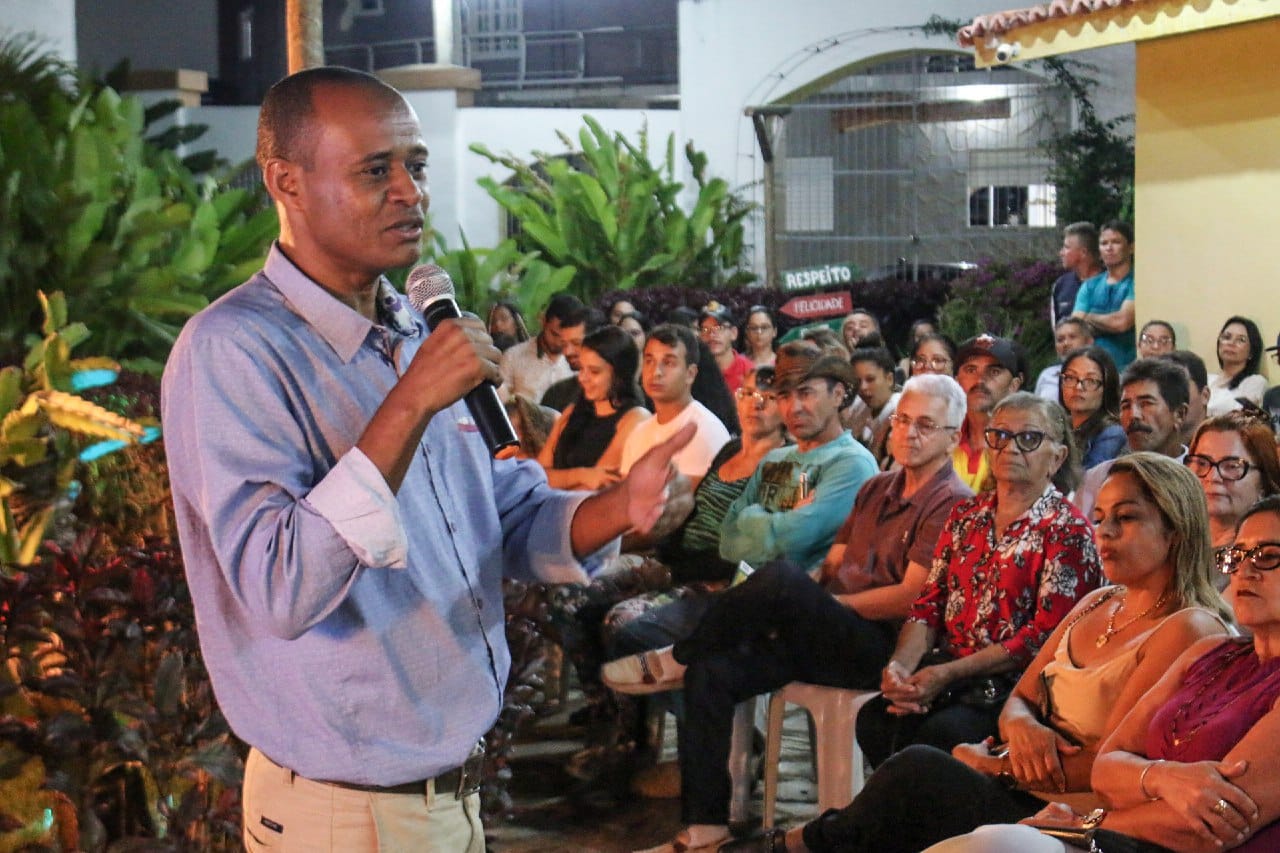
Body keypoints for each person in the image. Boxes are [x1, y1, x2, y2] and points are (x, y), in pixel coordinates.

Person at [160, 67, 694, 852]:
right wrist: (409, 402)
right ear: (286, 182)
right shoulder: (233, 351)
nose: (410, 192)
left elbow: (505, 511)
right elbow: (279, 586)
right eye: (376, 170)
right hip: (344, 817)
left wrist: (623, 507)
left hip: (450, 796)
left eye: (415, 165)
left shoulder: (419, 330)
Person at [732, 453, 1233, 853]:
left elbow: (1110, 764)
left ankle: (798, 843)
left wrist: (993, 766)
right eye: (1100, 518)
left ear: (1176, 529)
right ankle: (804, 842)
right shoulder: (1099, 601)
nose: (1104, 532)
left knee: (919, 772)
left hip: (1073, 812)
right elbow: (1019, 701)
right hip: (1022, 781)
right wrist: (1025, 727)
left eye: (1126, 518)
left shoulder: (1187, 627)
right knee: (906, 771)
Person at [614, 374, 973, 853]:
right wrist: (800, 606)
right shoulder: (877, 488)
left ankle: (677, 655)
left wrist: (817, 604)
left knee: (783, 580)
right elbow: (832, 565)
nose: (909, 433)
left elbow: (911, 598)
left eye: (925, 425)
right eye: (903, 420)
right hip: (830, 632)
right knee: (712, 671)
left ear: (953, 436)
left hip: (887, 648)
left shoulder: (953, 502)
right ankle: (706, 825)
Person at [925, 495, 1280, 853]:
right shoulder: (1210, 652)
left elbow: (1209, 826)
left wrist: (1084, 822)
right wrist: (1162, 777)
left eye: (1268, 556)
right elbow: (1106, 768)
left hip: (1136, 839)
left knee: (988, 832)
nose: (1245, 571)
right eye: (1238, 555)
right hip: (1111, 831)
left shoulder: (1192, 628)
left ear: (1174, 533)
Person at [1074, 358, 1191, 518]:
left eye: (1146, 404)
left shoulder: (1204, 478)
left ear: (1179, 414)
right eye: (1125, 406)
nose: (1133, 415)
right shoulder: (1097, 479)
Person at [538, 325, 650, 490]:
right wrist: (581, 475)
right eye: (581, 369)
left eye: (594, 371)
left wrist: (558, 481)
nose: (582, 378)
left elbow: (597, 487)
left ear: (620, 374)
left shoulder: (635, 419)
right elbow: (537, 476)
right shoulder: (571, 412)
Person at [621, 324, 732, 486]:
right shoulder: (638, 433)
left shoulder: (704, 430)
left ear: (690, 374)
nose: (656, 372)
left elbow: (682, 499)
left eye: (668, 363)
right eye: (649, 361)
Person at [1187, 410, 1280, 555]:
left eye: (1232, 466)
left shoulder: (1269, 555)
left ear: (1263, 482)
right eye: (1202, 463)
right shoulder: (1169, 542)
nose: (1213, 477)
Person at [952, 334, 1028, 493]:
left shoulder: (1026, 446)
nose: (980, 380)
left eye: (994, 371)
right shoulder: (941, 439)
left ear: (1014, 385)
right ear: (956, 381)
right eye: (971, 370)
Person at [498, 291, 588, 403]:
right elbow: (500, 405)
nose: (559, 342)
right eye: (554, 334)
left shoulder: (583, 363)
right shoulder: (512, 357)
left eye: (567, 339)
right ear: (543, 321)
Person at [1073, 220, 1136, 369]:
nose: (1109, 248)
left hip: (1128, 369)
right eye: (1104, 243)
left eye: (1116, 242)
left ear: (1131, 247)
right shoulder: (1089, 286)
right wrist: (1106, 322)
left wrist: (1089, 317)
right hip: (1092, 369)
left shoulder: (1137, 282)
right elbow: (1076, 328)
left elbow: (1121, 322)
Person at [1059, 345, 1126, 469]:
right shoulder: (1058, 426)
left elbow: (1088, 478)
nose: (1078, 387)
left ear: (1107, 387)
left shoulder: (1112, 433)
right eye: (1070, 378)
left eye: (1090, 381)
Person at [843, 346, 901, 466]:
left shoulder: (901, 411)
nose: (863, 387)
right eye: (858, 381)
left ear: (889, 379)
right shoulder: (859, 407)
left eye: (870, 379)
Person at [1207, 315, 1267, 416]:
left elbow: (1240, 417)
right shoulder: (1207, 379)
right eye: (1227, 337)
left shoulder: (1255, 382)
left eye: (1241, 340)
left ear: (1251, 352)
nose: (1231, 343)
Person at [1051, 222, 1103, 329]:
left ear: (1083, 252)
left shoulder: (1111, 283)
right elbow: (1057, 330)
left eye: (1066, 247)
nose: (1061, 253)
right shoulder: (1060, 285)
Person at [698, 302, 755, 394]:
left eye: (719, 328)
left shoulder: (749, 372)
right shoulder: (694, 371)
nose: (711, 335)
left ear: (733, 333)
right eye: (705, 329)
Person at [1035, 318, 1094, 401]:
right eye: (1060, 340)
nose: (1066, 343)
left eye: (1072, 337)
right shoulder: (1047, 375)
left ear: (1088, 341)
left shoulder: (1101, 373)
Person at [1164, 349, 1212, 444]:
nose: (1171, 395)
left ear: (1205, 396)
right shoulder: (1150, 444)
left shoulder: (1223, 444)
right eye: (1164, 388)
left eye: (1179, 385)